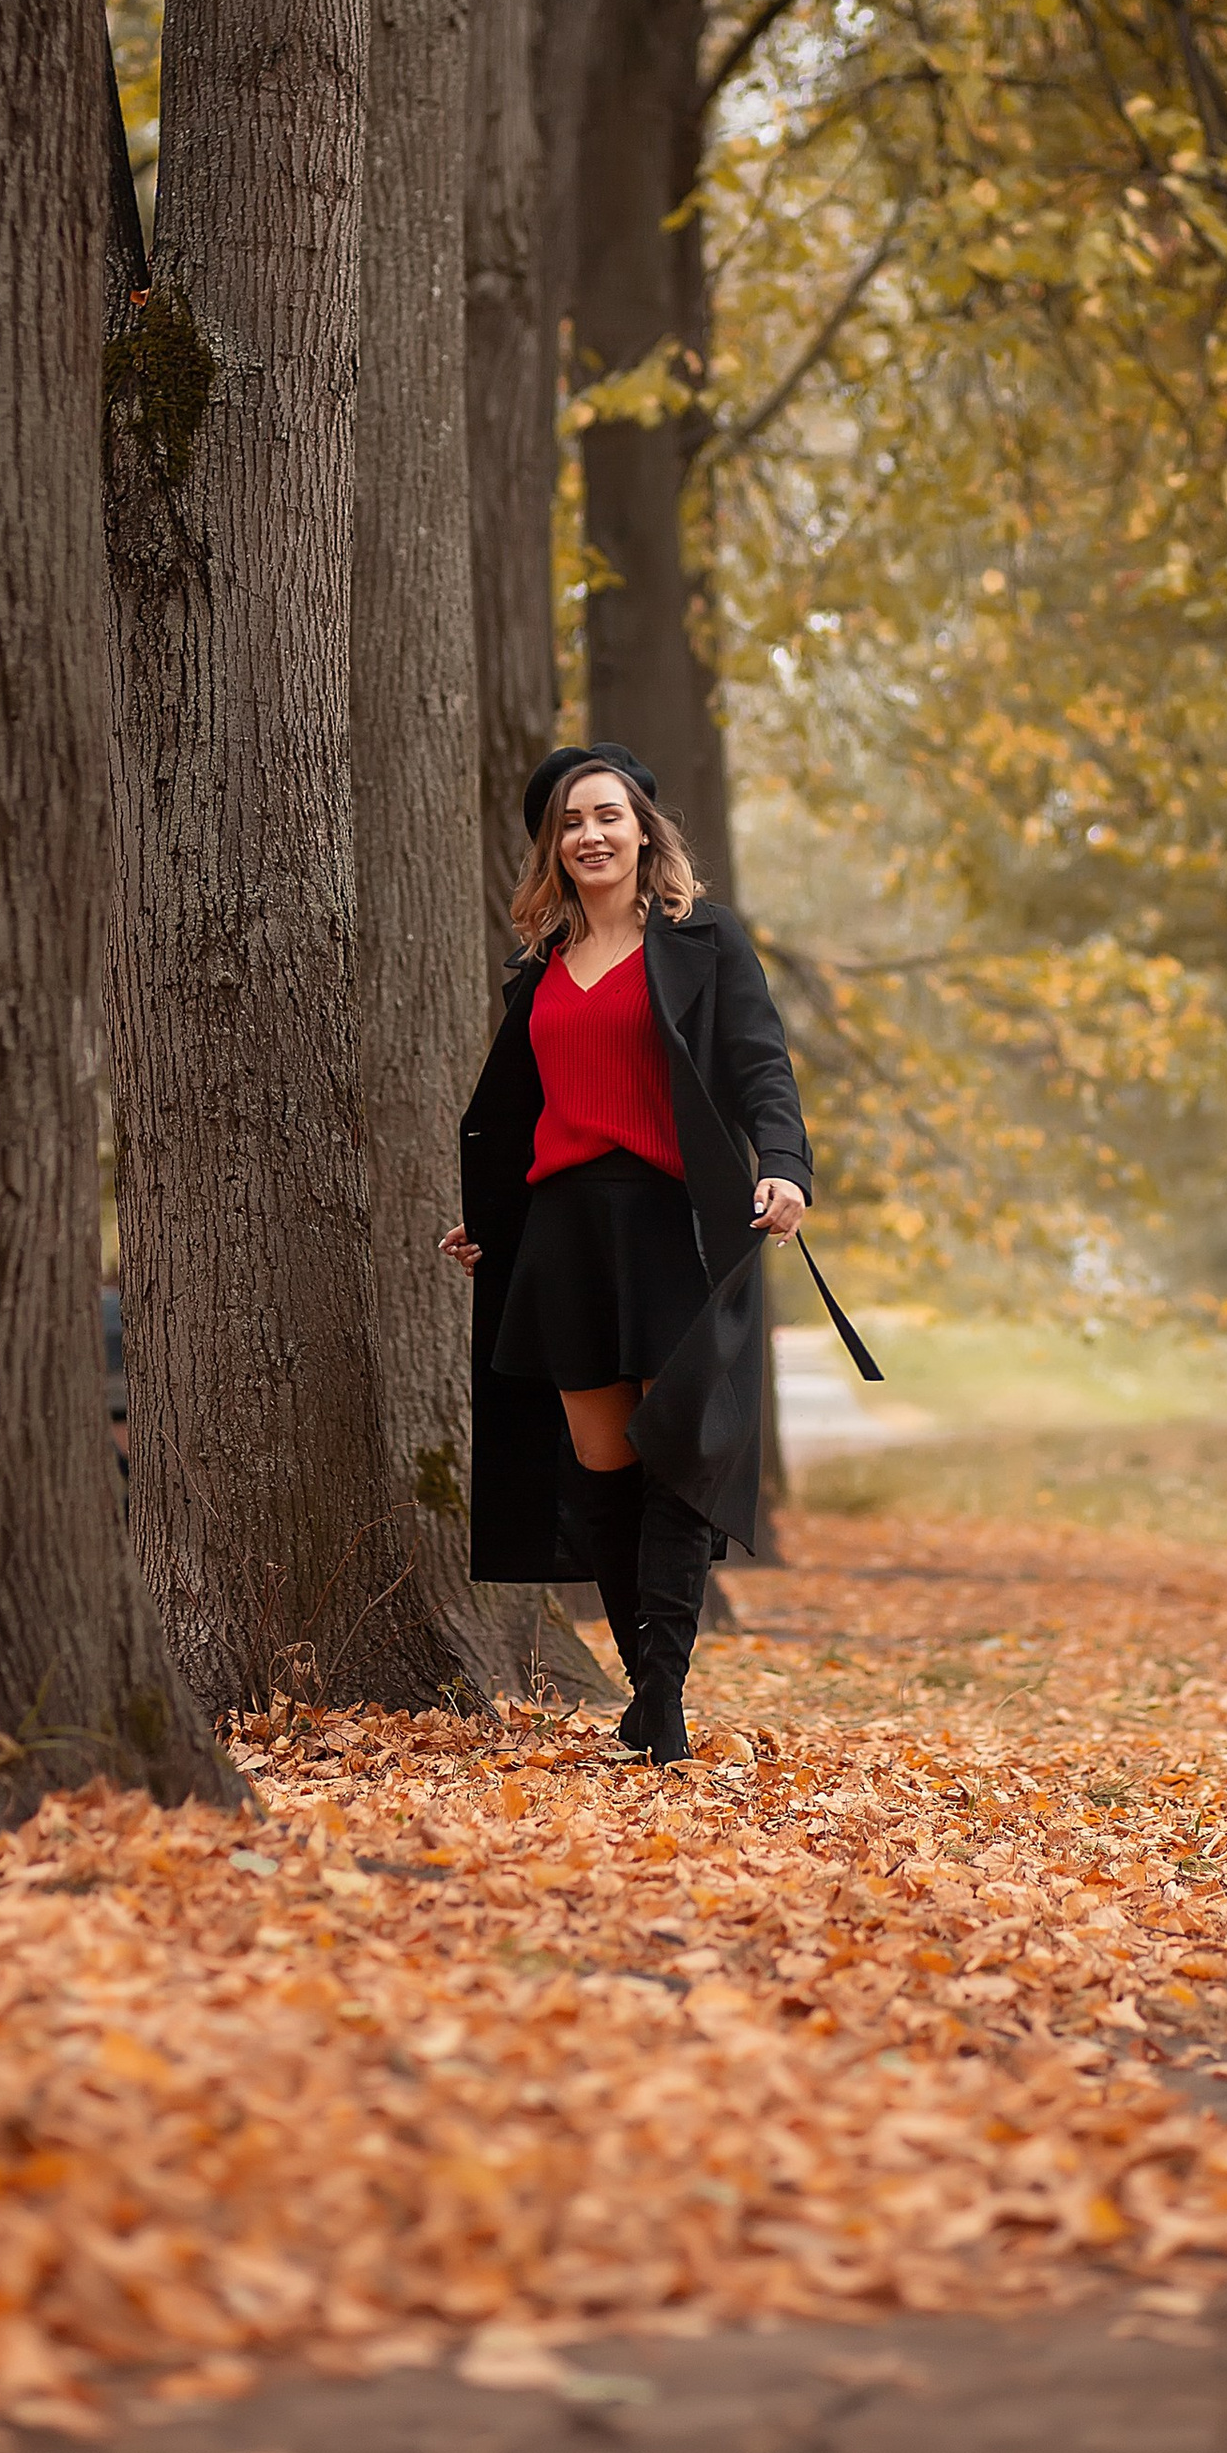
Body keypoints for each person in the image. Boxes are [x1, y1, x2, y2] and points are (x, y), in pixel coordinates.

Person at [441, 740, 823, 1766]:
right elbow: (519, 1118)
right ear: (553, 850)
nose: (590, 834)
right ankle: (646, 1684)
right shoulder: (539, 971)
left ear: (644, 831)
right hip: (565, 1234)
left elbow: (758, 1065)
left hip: (671, 1219)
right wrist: (490, 1224)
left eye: (607, 815)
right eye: (570, 822)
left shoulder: (701, 941)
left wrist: (783, 1165)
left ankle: (661, 1697)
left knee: (678, 1449)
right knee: (602, 1464)